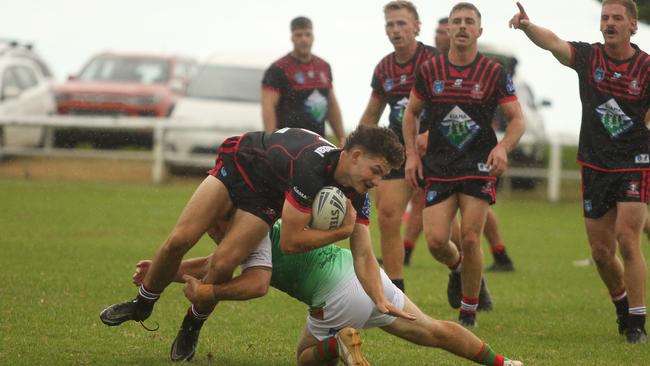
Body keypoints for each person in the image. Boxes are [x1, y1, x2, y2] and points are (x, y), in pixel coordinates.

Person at [99, 125, 412, 361]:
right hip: (239, 165)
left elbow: (364, 256)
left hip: (265, 198)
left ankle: (192, 325)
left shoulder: (357, 194)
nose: (377, 181)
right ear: (355, 156)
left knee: (222, 264)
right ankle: (142, 304)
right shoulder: (311, 170)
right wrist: (337, 233)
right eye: (377, 171)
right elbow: (290, 242)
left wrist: (379, 299)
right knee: (178, 240)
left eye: (383, 175)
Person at [133, 219, 524, 366]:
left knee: (305, 357)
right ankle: (505, 364)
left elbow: (242, 279)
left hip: (337, 300)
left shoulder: (246, 236)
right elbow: (209, 261)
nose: (213, 232)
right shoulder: (267, 221)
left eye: (216, 224)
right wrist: (163, 272)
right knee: (435, 330)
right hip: (369, 280)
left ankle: (339, 345)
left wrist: (191, 284)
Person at [510, 0, 649, 343]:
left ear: (633, 26)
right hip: (594, 164)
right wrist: (529, 27)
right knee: (601, 253)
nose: (610, 23)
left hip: (634, 163)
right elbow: (554, 43)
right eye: (605, 17)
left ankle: (637, 322)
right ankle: (621, 303)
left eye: (617, 18)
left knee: (628, 240)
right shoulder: (590, 58)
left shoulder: (646, 68)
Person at [403, 2, 525, 327]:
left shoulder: (494, 72)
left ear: (479, 31)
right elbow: (411, 113)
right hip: (440, 165)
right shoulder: (431, 70)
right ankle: (459, 268)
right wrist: (413, 155)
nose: (461, 26)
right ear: (450, 29)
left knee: (471, 237)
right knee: (436, 241)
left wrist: (502, 147)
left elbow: (516, 120)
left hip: (479, 164)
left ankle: (468, 312)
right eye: (456, 21)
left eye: (468, 22)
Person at [358, 0, 439, 293]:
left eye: (402, 23)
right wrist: (352, 147)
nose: (396, 30)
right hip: (397, 151)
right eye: (390, 25)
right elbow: (372, 114)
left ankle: (463, 271)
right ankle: (396, 290)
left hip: (439, 151)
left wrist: (431, 133)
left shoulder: (435, 60)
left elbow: (455, 103)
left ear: (417, 26)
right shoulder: (385, 68)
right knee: (389, 216)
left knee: (441, 234)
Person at [262, 16, 346, 146]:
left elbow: (331, 105)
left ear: (313, 36)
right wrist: (271, 142)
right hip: (288, 144)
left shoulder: (323, 66)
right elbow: (268, 106)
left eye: (308, 34)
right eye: (299, 35)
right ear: (292, 37)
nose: (304, 39)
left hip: (318, 142)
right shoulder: (278, 68)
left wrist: (342, 138)